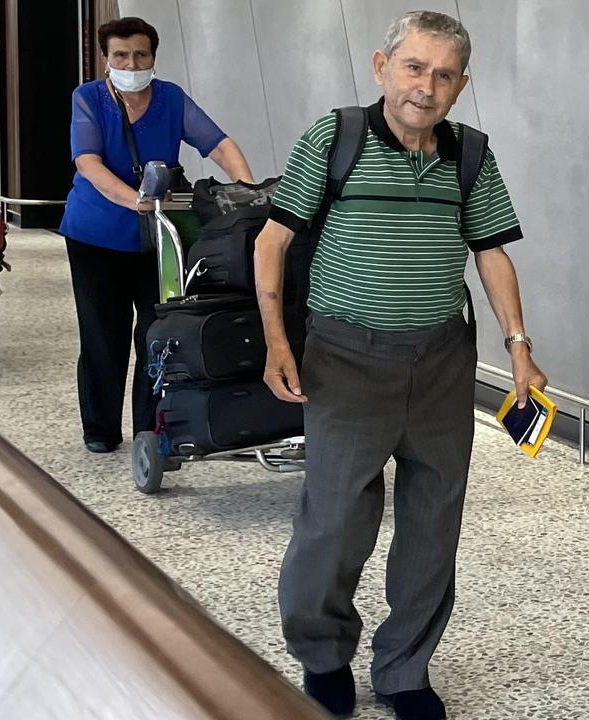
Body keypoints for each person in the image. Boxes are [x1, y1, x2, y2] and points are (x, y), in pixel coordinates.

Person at [253, 11, 546, 720]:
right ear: (382, 67)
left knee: (433, 519)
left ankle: (405, 669)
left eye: (444, 74)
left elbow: (491, 251)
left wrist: (518, 345)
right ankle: (323, 655)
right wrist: (277, 341)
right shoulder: (336, 137)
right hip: (347, 359)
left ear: (462, 85)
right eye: (414, 67)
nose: (427, 86)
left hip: (442, 358)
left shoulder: (470, 153)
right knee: (334, 523)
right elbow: (272, 240)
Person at [58, 17, 252, 454]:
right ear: (106, 59)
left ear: (153, 58)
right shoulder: (88, 98)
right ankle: (101, 430)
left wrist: (246, 191)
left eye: (140, 54)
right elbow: (87, 162)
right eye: (122, 55)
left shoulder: (170, 99)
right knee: (102, 335)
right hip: (96, 236)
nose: (132, 62)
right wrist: (134, 200)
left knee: (155, 332)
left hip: (159, 236)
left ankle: (151, 428)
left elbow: (218, 144)